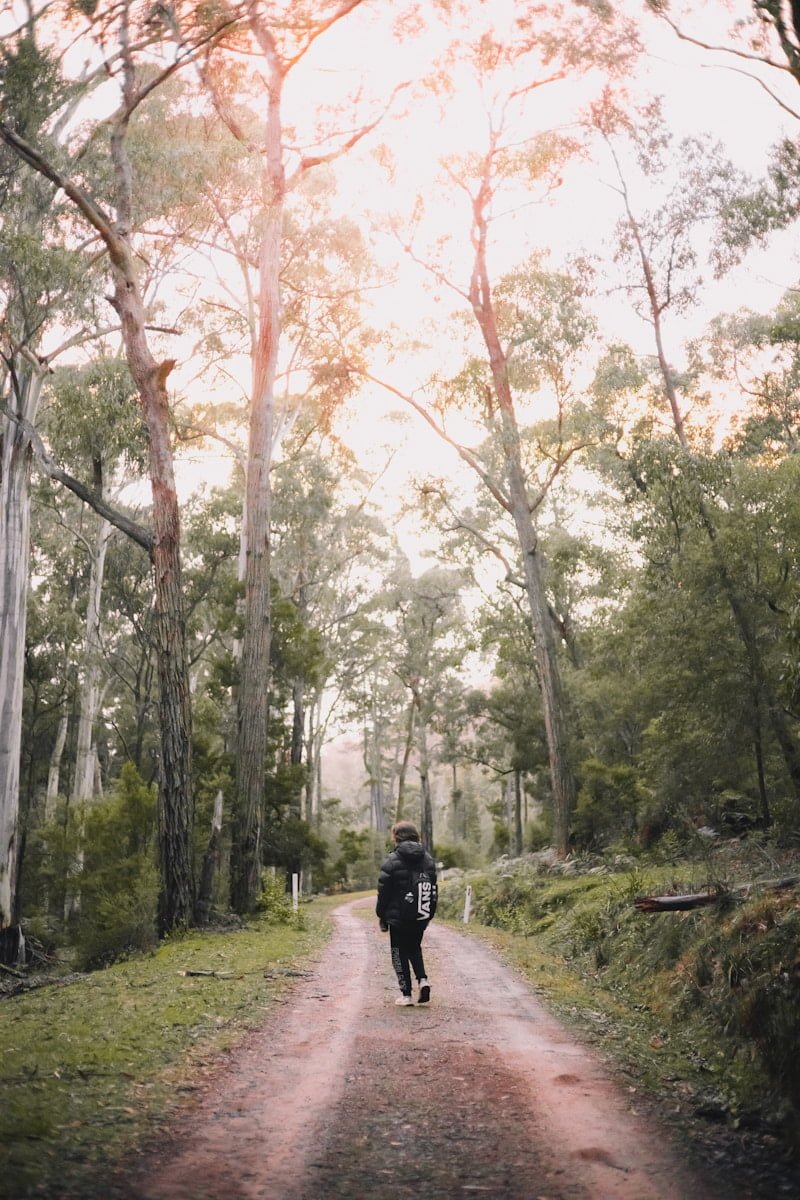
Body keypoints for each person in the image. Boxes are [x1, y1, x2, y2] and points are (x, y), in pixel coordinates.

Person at [376, 820, 437, 1006]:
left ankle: (406, 995)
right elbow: (433, 889)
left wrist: (382, 915)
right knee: (414, 948)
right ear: (415, 835)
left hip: (398, 917)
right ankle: (423, 980)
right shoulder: (427, 859)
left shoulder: (392, 860)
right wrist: (429, 914)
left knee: (398, 953)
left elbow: (383, 892)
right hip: (420, 913)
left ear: (396, 837)